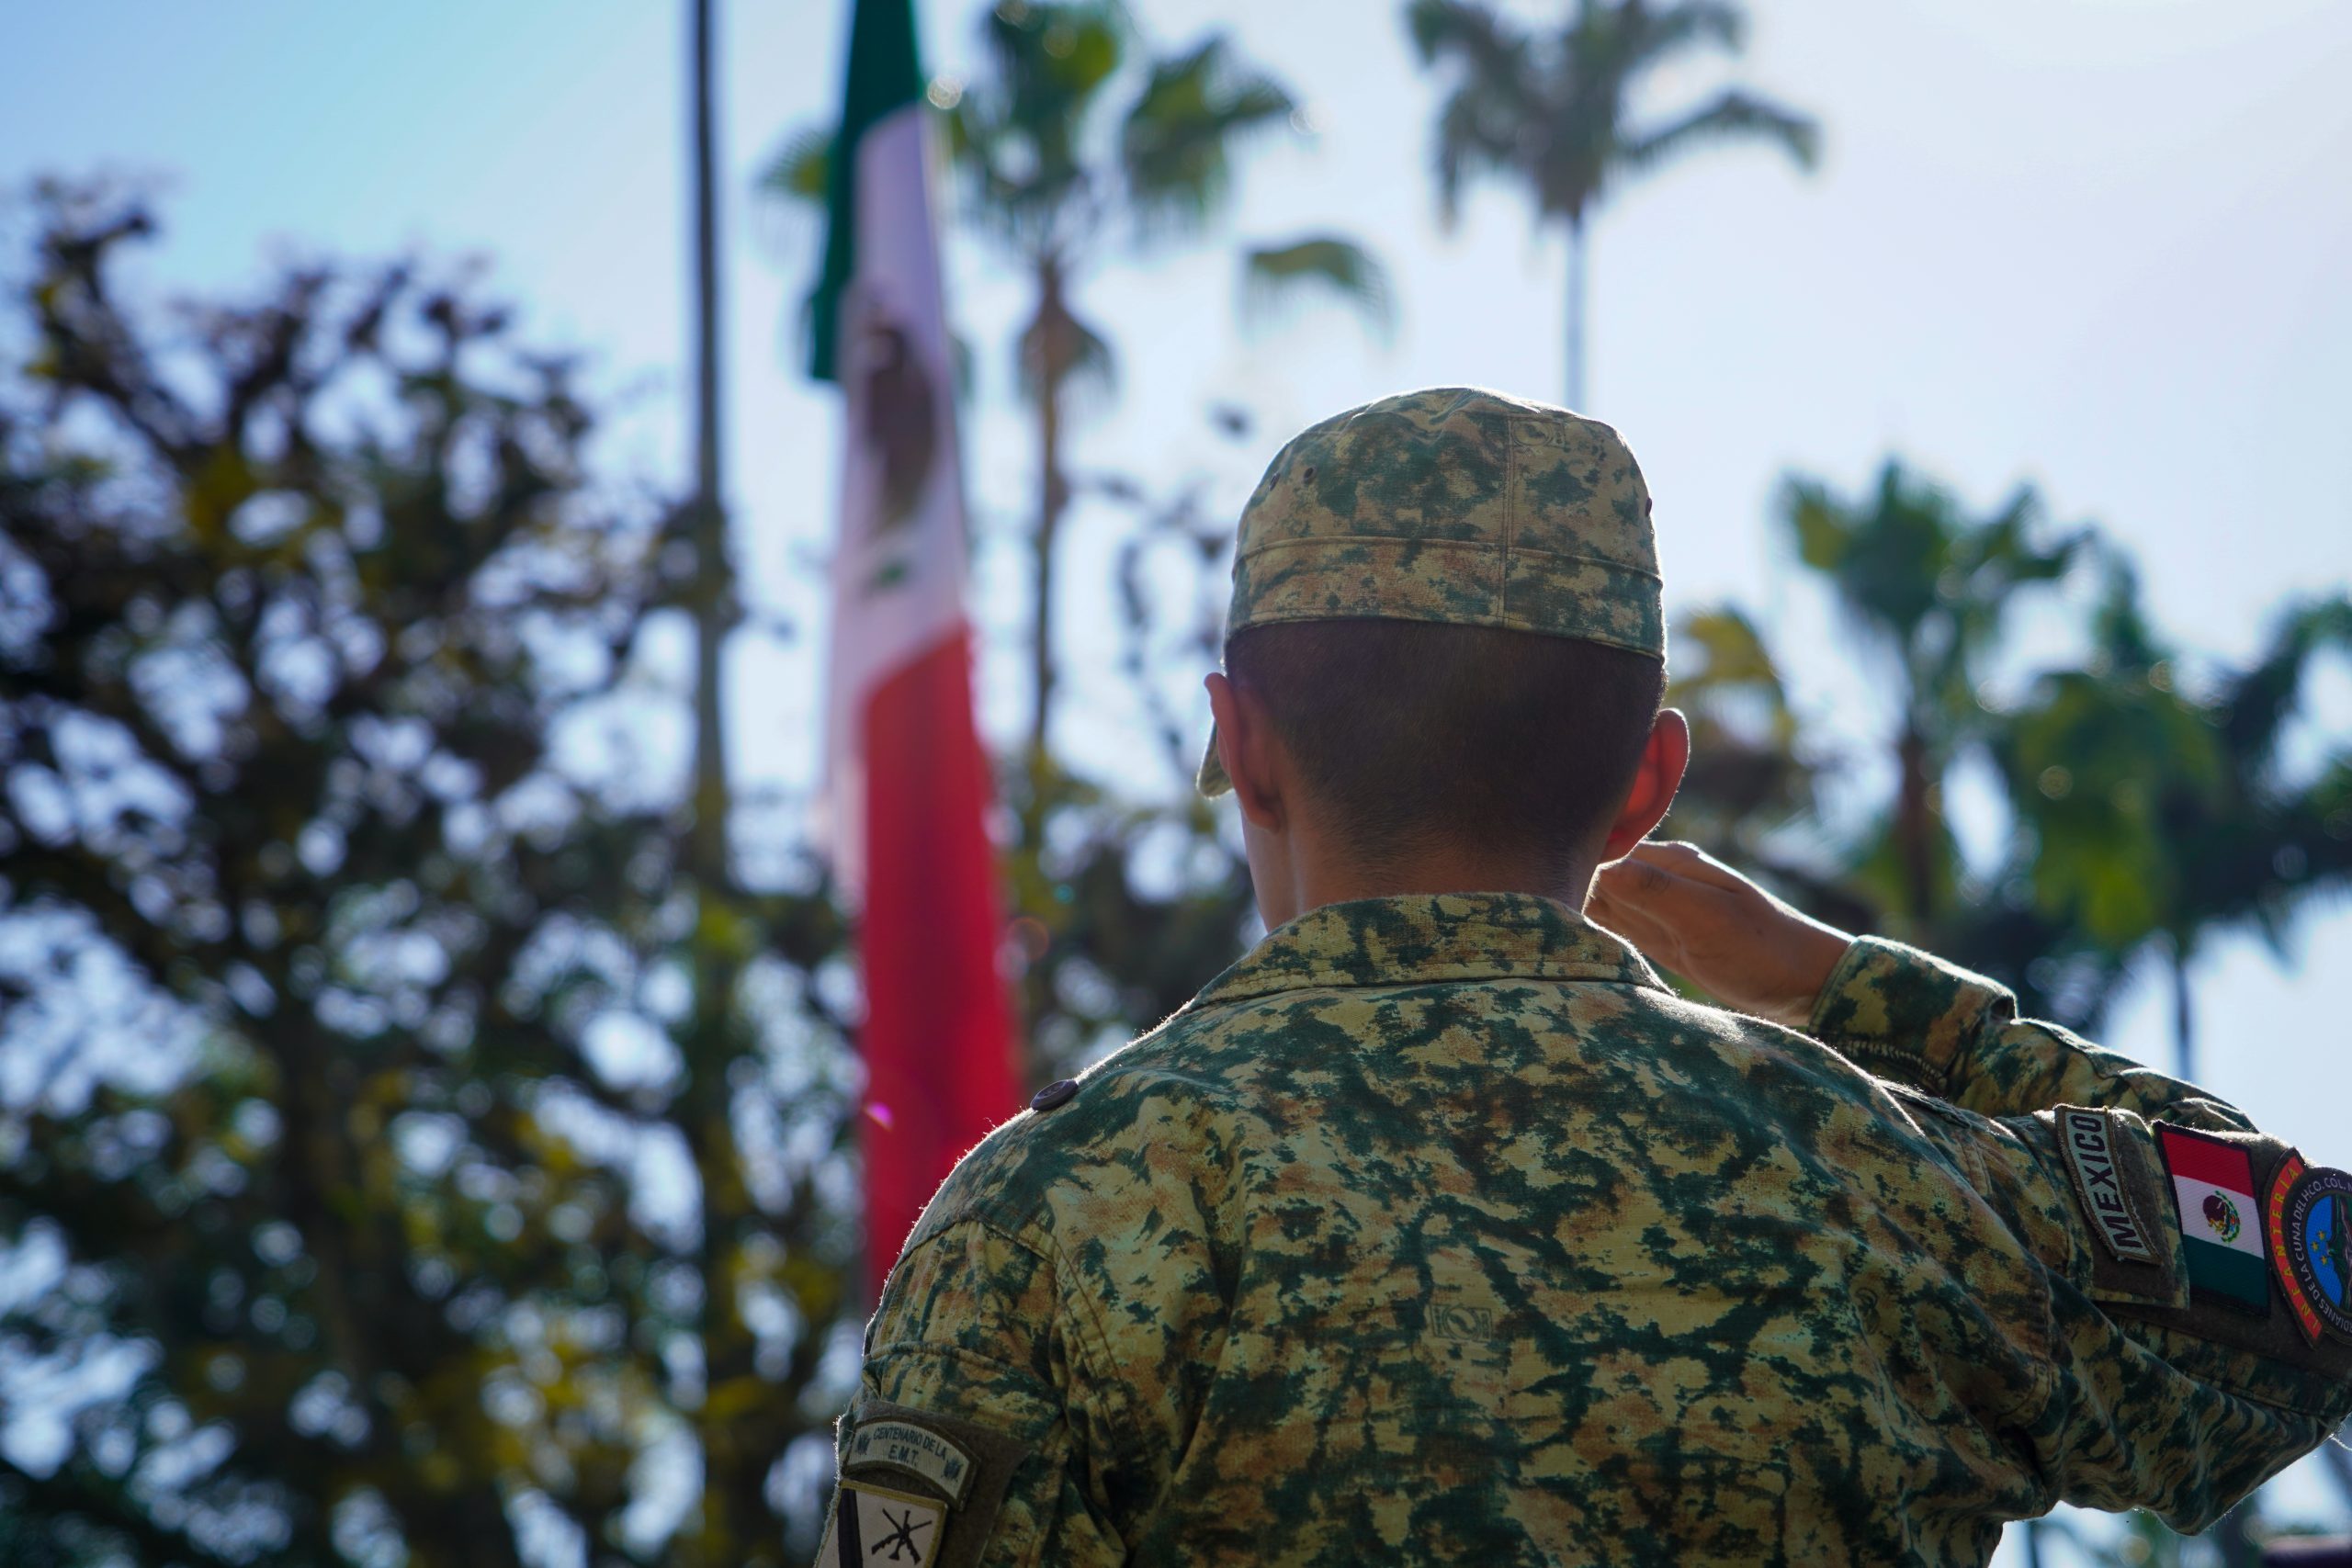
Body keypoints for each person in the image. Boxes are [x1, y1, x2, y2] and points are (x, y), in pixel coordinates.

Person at [813, 388, 2352, 1566]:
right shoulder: (1888, 1178)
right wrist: (1853, 992)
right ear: (1648, 783)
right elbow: (2312, 1281)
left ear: (1245, 742)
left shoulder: (1052, 1215)